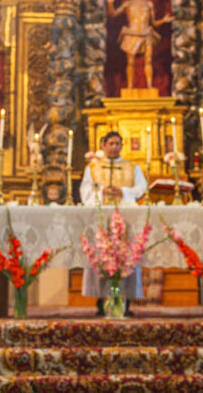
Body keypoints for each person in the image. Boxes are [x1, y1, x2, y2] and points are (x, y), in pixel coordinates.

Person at [80, 131, 148, 316]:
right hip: (101, 218)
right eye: (110, 143)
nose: (114, 147)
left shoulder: (132, 167)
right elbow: (85, 190)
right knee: (101, 256)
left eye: (117, 143)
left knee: (127, 257)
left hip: (125, 218)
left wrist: (124, 192)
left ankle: (126, 303)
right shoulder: (92, 168)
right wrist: (101, 193)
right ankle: (100, 301)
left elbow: (141, 187)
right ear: (103, 145)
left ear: (121, 146)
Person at [106, 0, 173, 90]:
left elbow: (153, 23)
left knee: (148, 61)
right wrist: (110, 4)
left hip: (146, 33)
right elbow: (113, 14)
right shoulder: (128, 3)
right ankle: (130, 86)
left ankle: (149, 86)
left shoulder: (149, 4)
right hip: (131, 33)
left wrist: (163, 20)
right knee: (130, 62)